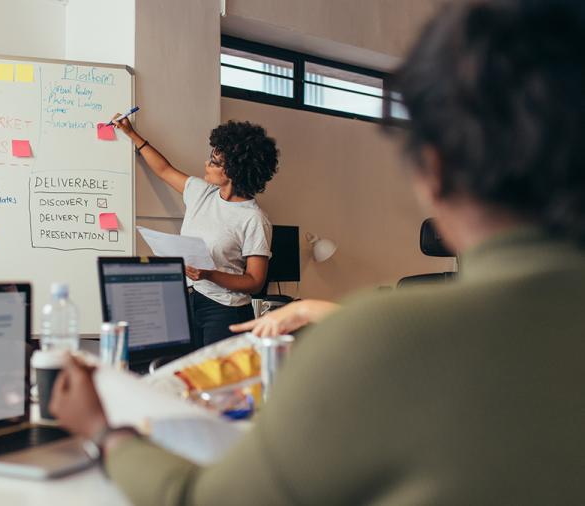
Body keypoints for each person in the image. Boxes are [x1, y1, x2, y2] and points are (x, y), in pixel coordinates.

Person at [50, 0, 585, 503]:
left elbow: (210, 499)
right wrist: (134, 136)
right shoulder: (206, 196)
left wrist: (103, 431)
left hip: (220, 313)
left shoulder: (376, 336)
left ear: (433, 171)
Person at [111, 115, 279, 346]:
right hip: (187, 300)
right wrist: (131, 133)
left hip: (225, 312)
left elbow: (255, 281)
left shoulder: (253, 218)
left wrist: (209, 274)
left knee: (215, 379)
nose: (206, 163)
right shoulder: (202, 193)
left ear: (233, 171)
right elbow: (164, 170)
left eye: (214, 161)